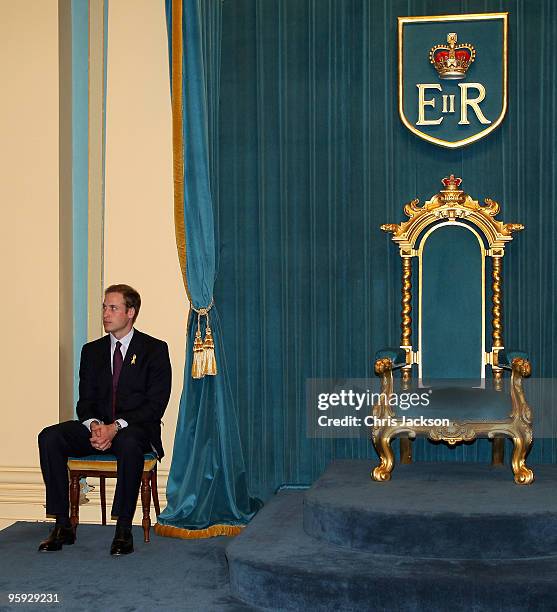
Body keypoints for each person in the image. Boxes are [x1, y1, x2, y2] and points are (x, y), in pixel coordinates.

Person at [38, 284, 171, 555]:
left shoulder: (154, 349)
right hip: (98, 428)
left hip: (133, 430)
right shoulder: (92, 351)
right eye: (104, 307)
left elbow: (155, 406)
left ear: (130, 312)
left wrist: (115, 427)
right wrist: (95, 425)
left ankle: (123, 529)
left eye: (113, 308)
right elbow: (84, 401)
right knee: (49, 437)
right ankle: (62, 525)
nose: (106, 314)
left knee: (131, 443)